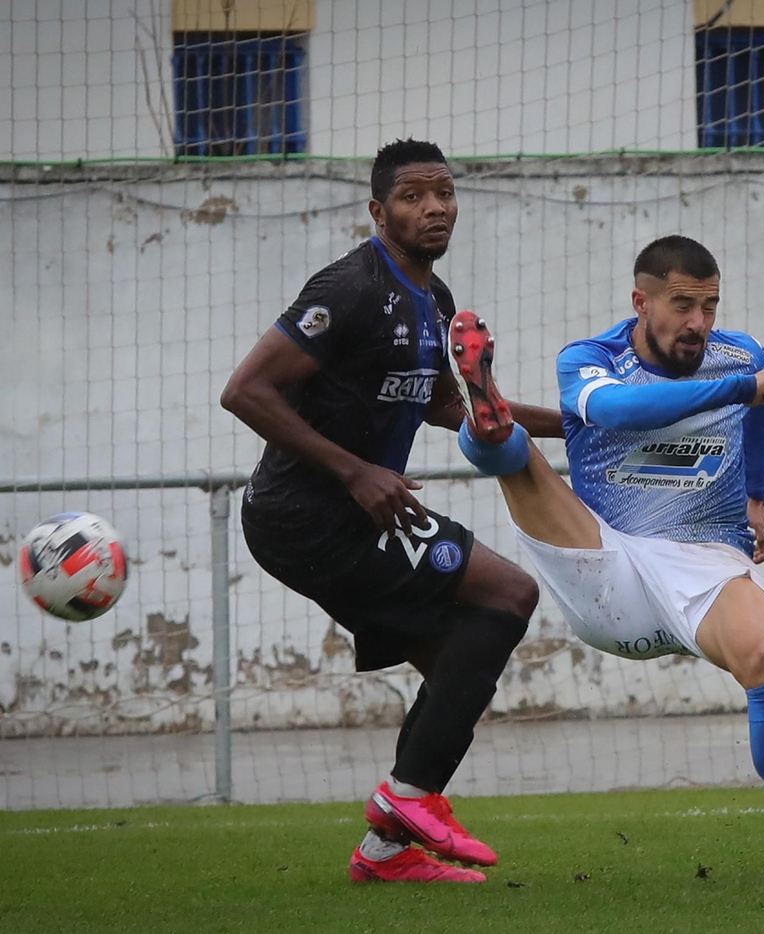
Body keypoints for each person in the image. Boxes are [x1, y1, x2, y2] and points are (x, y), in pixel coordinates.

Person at [447, 236, 764, 905]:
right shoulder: (592, 361)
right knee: (517, 449)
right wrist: (737, 388)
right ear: (641, 301)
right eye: (681, 305)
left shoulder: (743, 355)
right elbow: (617, 411)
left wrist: (757, 492)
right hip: (605, 558)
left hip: (704, 559)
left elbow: (761, 405)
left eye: (709, 306)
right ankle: (486, 420)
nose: (698, 323)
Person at [220, 139, 564, 884]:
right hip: (302, 515)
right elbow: (245, 391)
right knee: (509, 592)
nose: (434, 206)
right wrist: (354, 470)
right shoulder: (348, 288)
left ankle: (386, 852)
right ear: (379, 211)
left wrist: (578, 423)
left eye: (444, 192)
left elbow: (450, 403)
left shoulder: (433, 300)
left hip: (358, 515)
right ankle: (409, 800)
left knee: (458, 666)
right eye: (413, 195)